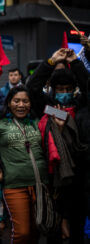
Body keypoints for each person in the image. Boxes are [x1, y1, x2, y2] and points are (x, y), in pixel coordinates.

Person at [0, 86, 48, 244]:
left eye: (25, 101)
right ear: (9, 104)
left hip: (40, 185)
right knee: (22, 233)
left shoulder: (38, 121)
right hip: (14, 186)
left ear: (31, 104)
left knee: (36, 231)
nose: (21, 105)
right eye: (16, 101)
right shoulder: (0, 124)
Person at [27, 48, 88, 243]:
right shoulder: (49, 107)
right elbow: (32, 88)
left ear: (74, 89)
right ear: (53, 90)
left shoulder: (81, 106)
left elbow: (89, 86)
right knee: (54, 228)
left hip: (79, 178)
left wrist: (76, 62)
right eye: (59, 89)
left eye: (67, 89)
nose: (64, 93)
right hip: (54, 179)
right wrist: (51, 62)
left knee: (77, 227)